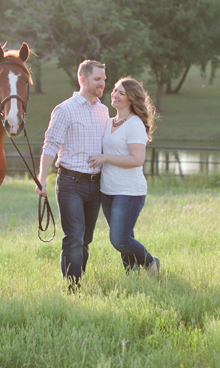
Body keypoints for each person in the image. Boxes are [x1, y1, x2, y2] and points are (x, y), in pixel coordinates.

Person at [35, 60, 111, 290]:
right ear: (83, 80)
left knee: (86, 240)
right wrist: (42, 178)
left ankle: (78, 282)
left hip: (96, 184)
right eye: (98, 79)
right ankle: (72, 289)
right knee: (74, 237)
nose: (103, 83)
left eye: (104, 79)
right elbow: (50, 145)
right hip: (70, 183)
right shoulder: (64, 109)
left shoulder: (104, 110)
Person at [87, 77, 160, 277]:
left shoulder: (134, 124)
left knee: (119, 239)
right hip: (107, 190)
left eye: (121, 92)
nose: (115, 94)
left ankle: (151, 262)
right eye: (114, 90)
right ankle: (132, 275)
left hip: (129, 191)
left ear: (131, 99)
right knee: (125, 237)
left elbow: (137, 159)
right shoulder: (109, 122)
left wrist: (105, 157)